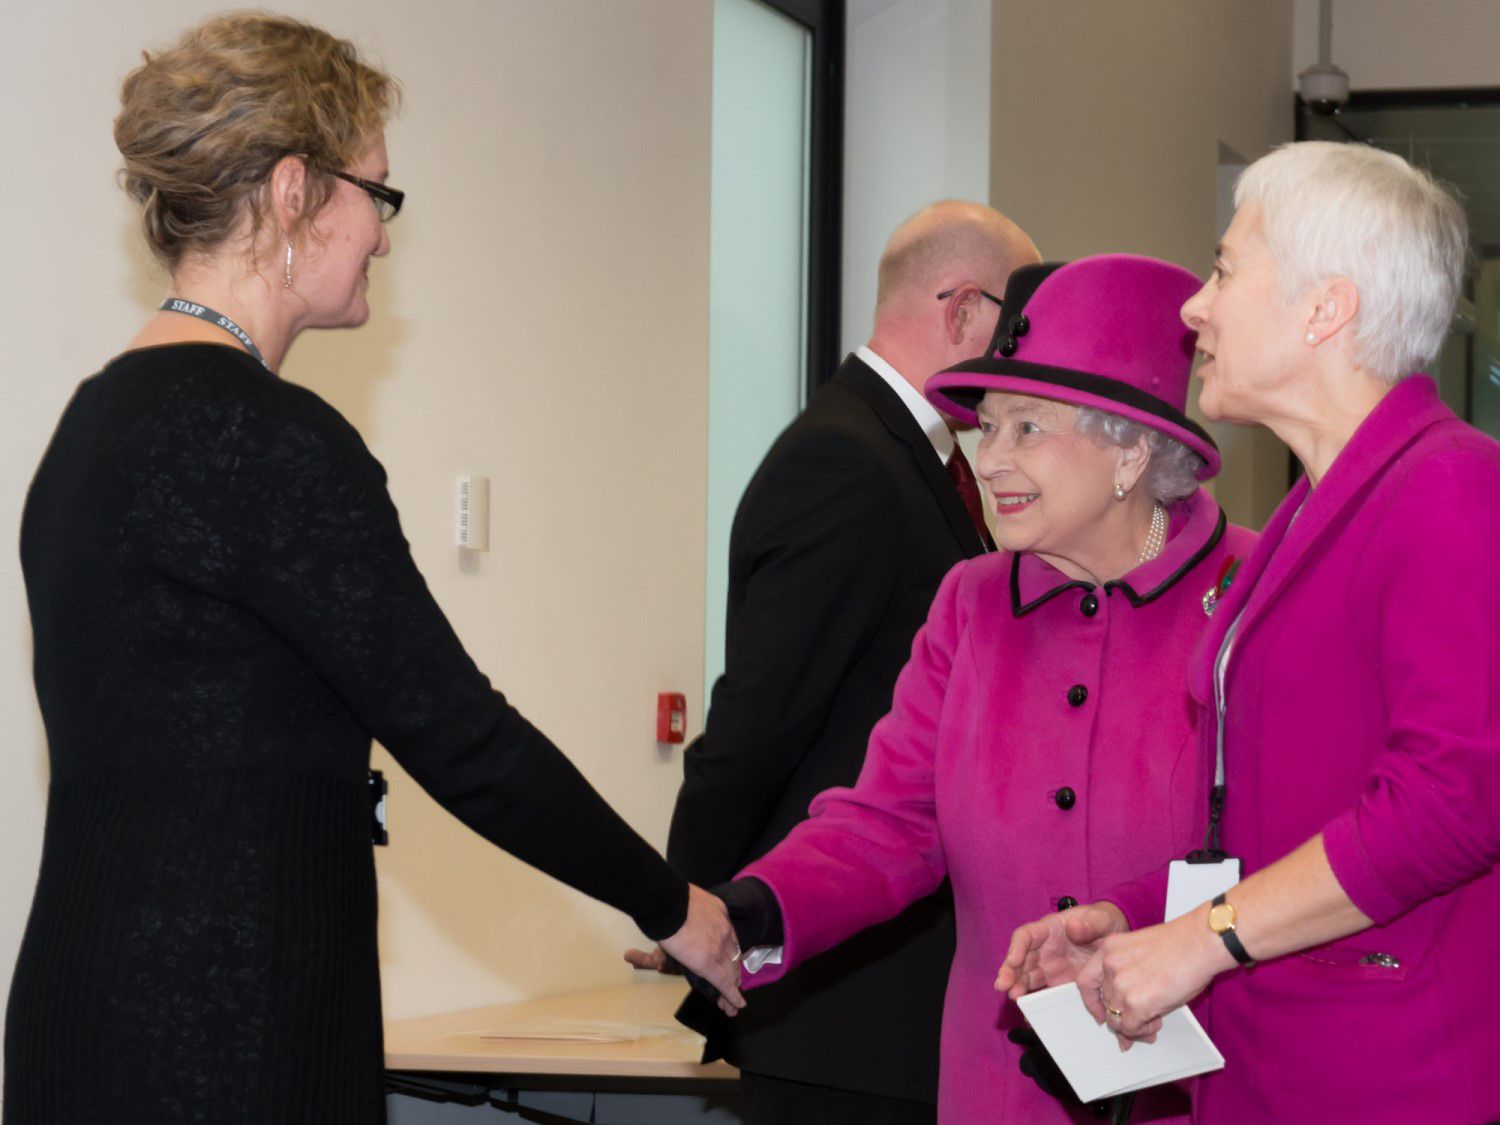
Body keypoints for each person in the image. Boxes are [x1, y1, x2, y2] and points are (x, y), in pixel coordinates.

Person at [4, 14, 739, 1124]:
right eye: (376, 196)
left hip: (75, 1021)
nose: (384, 239)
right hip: (230, 1034)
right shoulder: (274, 440)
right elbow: (462, 735)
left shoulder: (87, 429)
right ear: (295, 191)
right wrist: (674, 904)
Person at [997, 142, 1500, 1124]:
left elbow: (1453, 802)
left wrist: (1197, 942)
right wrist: (1139, 920)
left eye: (1226, 269)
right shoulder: (1314, 514)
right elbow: (1268, 825)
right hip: (1268, 1073)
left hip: (1389, 1083)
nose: (1197, 307)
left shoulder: (1451, 488)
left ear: (1326, 308)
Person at [692, 253, 1256, 1124]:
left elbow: (1301, 846)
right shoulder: (972, 603)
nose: (990, 460)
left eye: (1027, 429)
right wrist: (751, 911)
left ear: (1132, 447)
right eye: (985, 427)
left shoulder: (1255, 593)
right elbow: (886, 823)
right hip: (1002, 1092)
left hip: (1205, 1087)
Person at [638, 201, 1035, 1125]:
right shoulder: (845, 459)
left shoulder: (920, 463)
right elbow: (757, 721)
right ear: (962, 308)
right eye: (1013, 330)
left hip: (888, 993)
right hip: (843, 1001)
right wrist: (688, 906)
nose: (1020, 358)